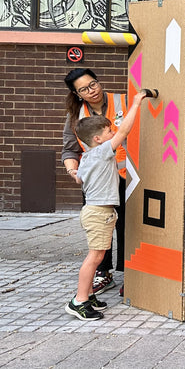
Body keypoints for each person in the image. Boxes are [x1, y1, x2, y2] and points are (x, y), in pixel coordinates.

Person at [65, 91, 147, 321]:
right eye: (108, 132)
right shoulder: (101, 152)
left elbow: (79, 178)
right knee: (95, 257)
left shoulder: (87, 157)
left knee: (98, 256)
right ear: (98, 139)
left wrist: (72, 170)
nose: (113, 134)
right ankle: (79, 300)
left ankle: (88, 295)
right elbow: (124, 131)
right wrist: (138, 101)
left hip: (96, 211)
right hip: (99, 213)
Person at [62, 68, 127, 296]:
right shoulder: (76, 115)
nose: (92, 91)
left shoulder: (122, 100)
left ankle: (131, 273)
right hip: (98, 181)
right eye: (84, 89)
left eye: (93, 84)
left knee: (127, 225)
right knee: (101, 228)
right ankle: (103, 273)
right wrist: (74, 172)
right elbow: (69, 149)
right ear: (77, 94)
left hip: (129, 177)